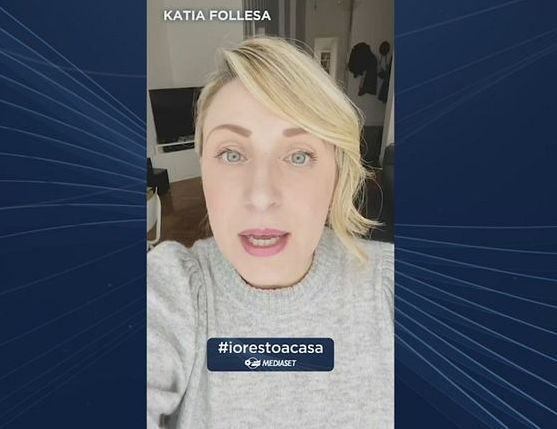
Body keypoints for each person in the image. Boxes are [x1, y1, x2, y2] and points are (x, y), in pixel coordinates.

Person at [147, 36, 394, 428]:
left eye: (299, 155)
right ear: (203, 170)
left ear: (336, 173)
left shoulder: (393, 284)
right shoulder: (171, 288)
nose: (261, 196)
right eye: (232, 154)